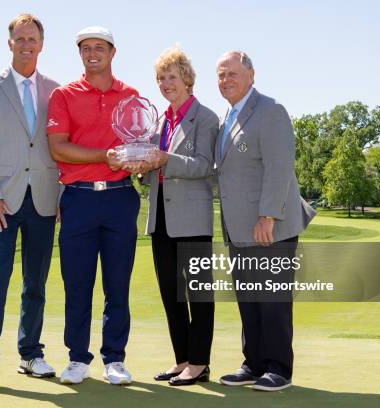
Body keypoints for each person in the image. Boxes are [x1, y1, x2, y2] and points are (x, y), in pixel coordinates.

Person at [0, 13, 60, 393]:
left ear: (41, 44)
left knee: (35, 282)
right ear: (9, 44)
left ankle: (30, 352)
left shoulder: (57, 91)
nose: (26, 45)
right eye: (19, 39)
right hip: (1, 204)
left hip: (43, 201)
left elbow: (58, 149)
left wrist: (61, 199)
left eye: (32, 39)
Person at [214, 51, 316, 392]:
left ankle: (278, 368)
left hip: (269, 224)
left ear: (251, 74)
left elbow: (279, 167)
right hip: (238, 227)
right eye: (220, 75)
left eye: (232, 73)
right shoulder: (226, 115)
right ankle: (254, 362)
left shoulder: (270, 111)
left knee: (271, 299)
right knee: (248, 297)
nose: (225, 80)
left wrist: (267, 215)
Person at [47, 26, 140, 386]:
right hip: (79, 198)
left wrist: (133, 158)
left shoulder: (131, 95)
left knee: (118, 284)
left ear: (112, 52)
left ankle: (114, 358)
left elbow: (139, 143)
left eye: (99, 47)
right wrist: (106, 155)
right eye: (85, 48)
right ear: (80, 54)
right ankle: (77, 358)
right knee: (78, 284)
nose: (92, 53)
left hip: (120, 197)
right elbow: (59, 147)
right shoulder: (64, 95)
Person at [139, 47, 219, 386]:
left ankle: (199, 363)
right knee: (171, 293)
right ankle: (182, 359)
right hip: (160, 218)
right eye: (161, 78)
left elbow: (205, 166)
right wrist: (142, 168)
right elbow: (153, 170)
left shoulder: (206, 118)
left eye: (172, 77)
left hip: (192, 219)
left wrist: (164, 159)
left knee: (197, 294)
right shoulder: (160, 120)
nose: (166, 83)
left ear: (186, 79)